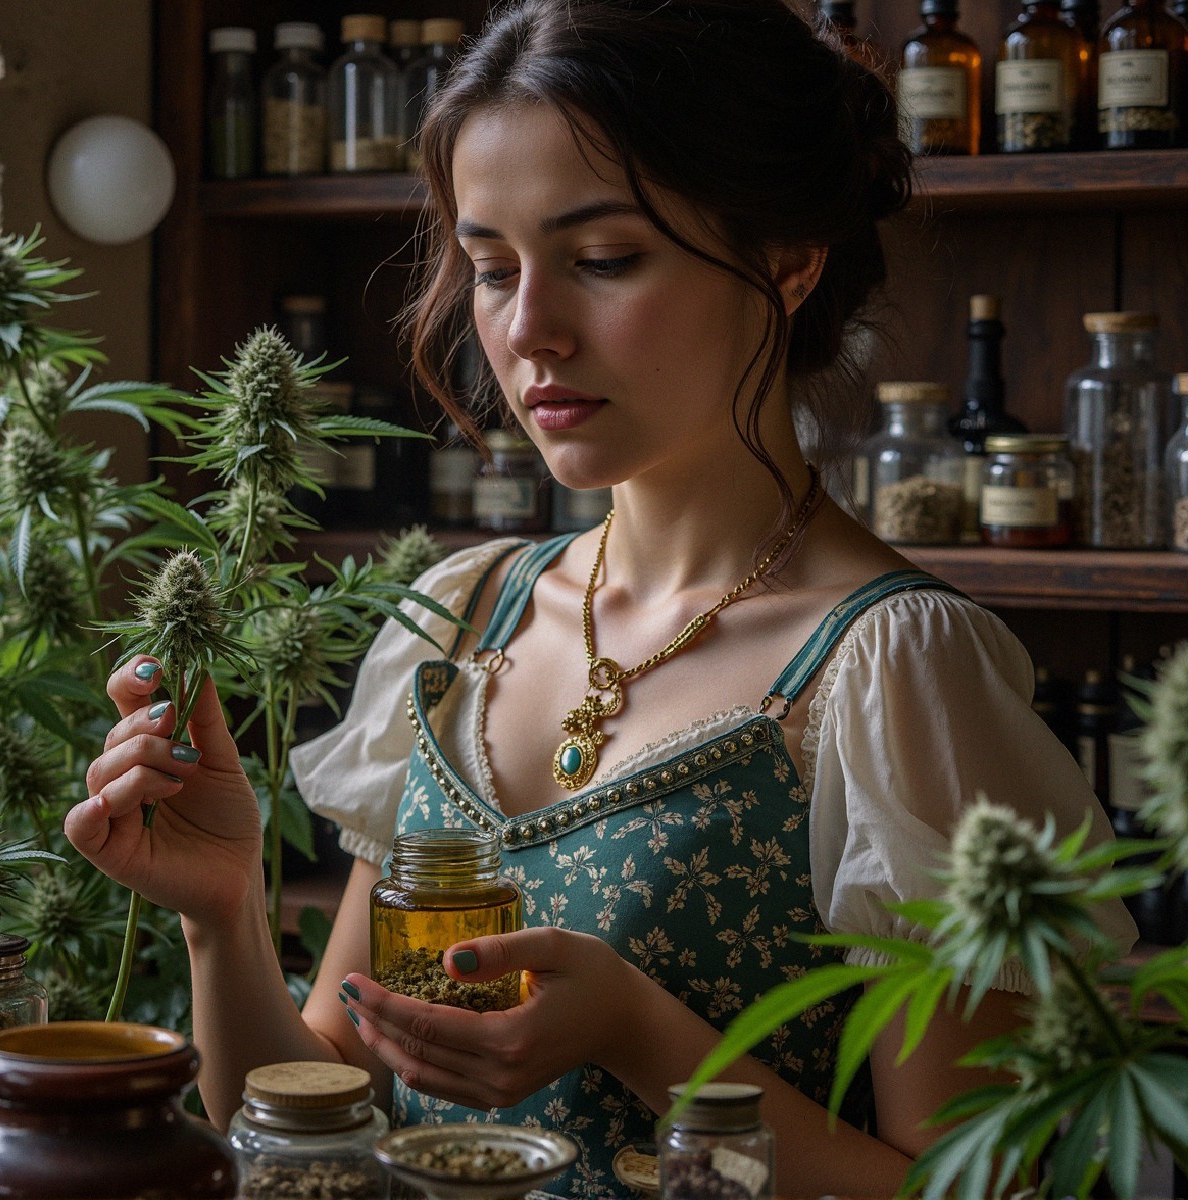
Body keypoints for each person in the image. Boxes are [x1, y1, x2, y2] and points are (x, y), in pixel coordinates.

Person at [65, 0, 1136, 1195]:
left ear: (787, 259)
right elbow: (329, 1108)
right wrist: (219, 915)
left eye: (604, 259)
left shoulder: (891, 668)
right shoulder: (463, 611)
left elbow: (970, 1185)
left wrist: (640, 1036)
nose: (528, 332)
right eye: (489, 268)